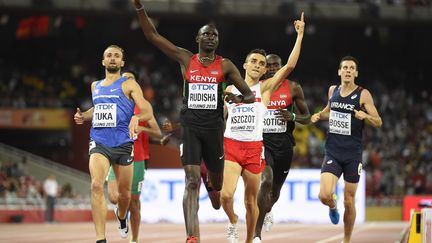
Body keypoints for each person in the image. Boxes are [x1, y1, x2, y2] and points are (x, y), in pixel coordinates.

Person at [131, 1, 256, 242]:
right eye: (206, 34)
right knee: (190, 181)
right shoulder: (186, 59)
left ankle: (212, 183)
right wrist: (139, 8)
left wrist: (235, 97)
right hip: (190, 127)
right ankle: (191, 236)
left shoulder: (226, 65)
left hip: (215, 129)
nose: (210, 37)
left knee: (217, 189)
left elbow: (249, 95)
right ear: (197, 38)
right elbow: (152, 35)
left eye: (214, 35)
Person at [221, 13, 304, 243]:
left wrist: (299, 35)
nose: (258, 65)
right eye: (254, 62)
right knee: (225, 196)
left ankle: (250, 239)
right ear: (245, 65)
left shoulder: (265, 88)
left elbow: (289, 65)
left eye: (262, 63)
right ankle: (231, 220)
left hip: (254, 148)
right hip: (231, 146)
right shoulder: (229, 89)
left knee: (251, 201)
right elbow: (220, 117)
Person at [73, 45, 153, 243]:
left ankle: (122, 216)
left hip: (124, 144)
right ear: (103, 61)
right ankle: (101, 239)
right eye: (109, 55)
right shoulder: (95, 86)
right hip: (100, 142)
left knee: (124, 196)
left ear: (122, 62)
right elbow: (98, 108)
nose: (112, 58)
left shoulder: (129, 85)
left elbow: (147, 111)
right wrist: (84, 115)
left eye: (117, 56)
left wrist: (137, 118)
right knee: (96, 185)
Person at [311, 56, 382, 243]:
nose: (348, 70)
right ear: (339, 71)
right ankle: (332, 207)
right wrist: (320, 115)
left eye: (352, 68)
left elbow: (379, 122)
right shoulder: (332, 90)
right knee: (324, 195)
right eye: (345, 67)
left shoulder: (363, 94)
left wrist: (365, 115)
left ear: (356, 73)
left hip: (353, 154)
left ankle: (346, 240)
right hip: (333, 150)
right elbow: (329, 110)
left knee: (349, 201)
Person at [252, 54, 311, 243]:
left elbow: (307, 118)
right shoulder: (258, 88)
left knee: (274, 193)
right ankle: (256, 234)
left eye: (275, 65)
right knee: (265, 182)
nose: (271, 68)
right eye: (267, 65)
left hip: (285, 147)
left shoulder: (293, 88)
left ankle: (267, 210)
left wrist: (292, 117)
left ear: (281, 67)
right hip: (263, 144)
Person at [106, 71, 162, 243]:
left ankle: (134, 239)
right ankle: (121, 213)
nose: (128, 82)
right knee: (115, 197)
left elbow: (158, 133)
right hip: (115, 154)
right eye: (125, 79)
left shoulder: (143, 107)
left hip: (137, 158)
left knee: (134, 203)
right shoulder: (113, 102)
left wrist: (140, 127)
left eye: (131, 79)